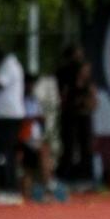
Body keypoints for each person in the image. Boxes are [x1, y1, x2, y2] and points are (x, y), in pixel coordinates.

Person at [0, 45, 26, 204]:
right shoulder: (8, 65)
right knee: (4, 152)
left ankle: (8, 188)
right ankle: (7, 187)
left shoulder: (8, 65)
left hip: (8, 115)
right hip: (5, 115)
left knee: (4, 152)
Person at [19, 74, 67, 202]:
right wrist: (33, 119)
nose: (31, 87)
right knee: (42, 154)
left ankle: (37, 192)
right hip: (25, 136)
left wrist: (40, 121)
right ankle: (48, 185)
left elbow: (40, 119)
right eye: (29, 83)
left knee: (30, 166)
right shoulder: (19, 100)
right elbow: (22, 119)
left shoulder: (34, 100)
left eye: (32, 84)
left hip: (35, 136)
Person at [55, 45, 98, 187]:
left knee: (86, 145)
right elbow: (63, 97)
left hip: (84, 115)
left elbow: (93, 101)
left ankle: (86, 175)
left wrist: (88, 101)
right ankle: (66, 174)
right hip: (70, 115)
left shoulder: (89, 83)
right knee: (69, 145)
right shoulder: (65, 76)